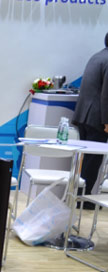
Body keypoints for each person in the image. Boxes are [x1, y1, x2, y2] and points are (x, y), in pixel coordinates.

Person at [72, 33, 108, 200]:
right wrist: (106, 121)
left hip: (84, 115)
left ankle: (79, 195)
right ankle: (84, 199)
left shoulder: (97, 56)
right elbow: (106, 95)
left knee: (87, 160)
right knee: (92, 161)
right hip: (97, 118)